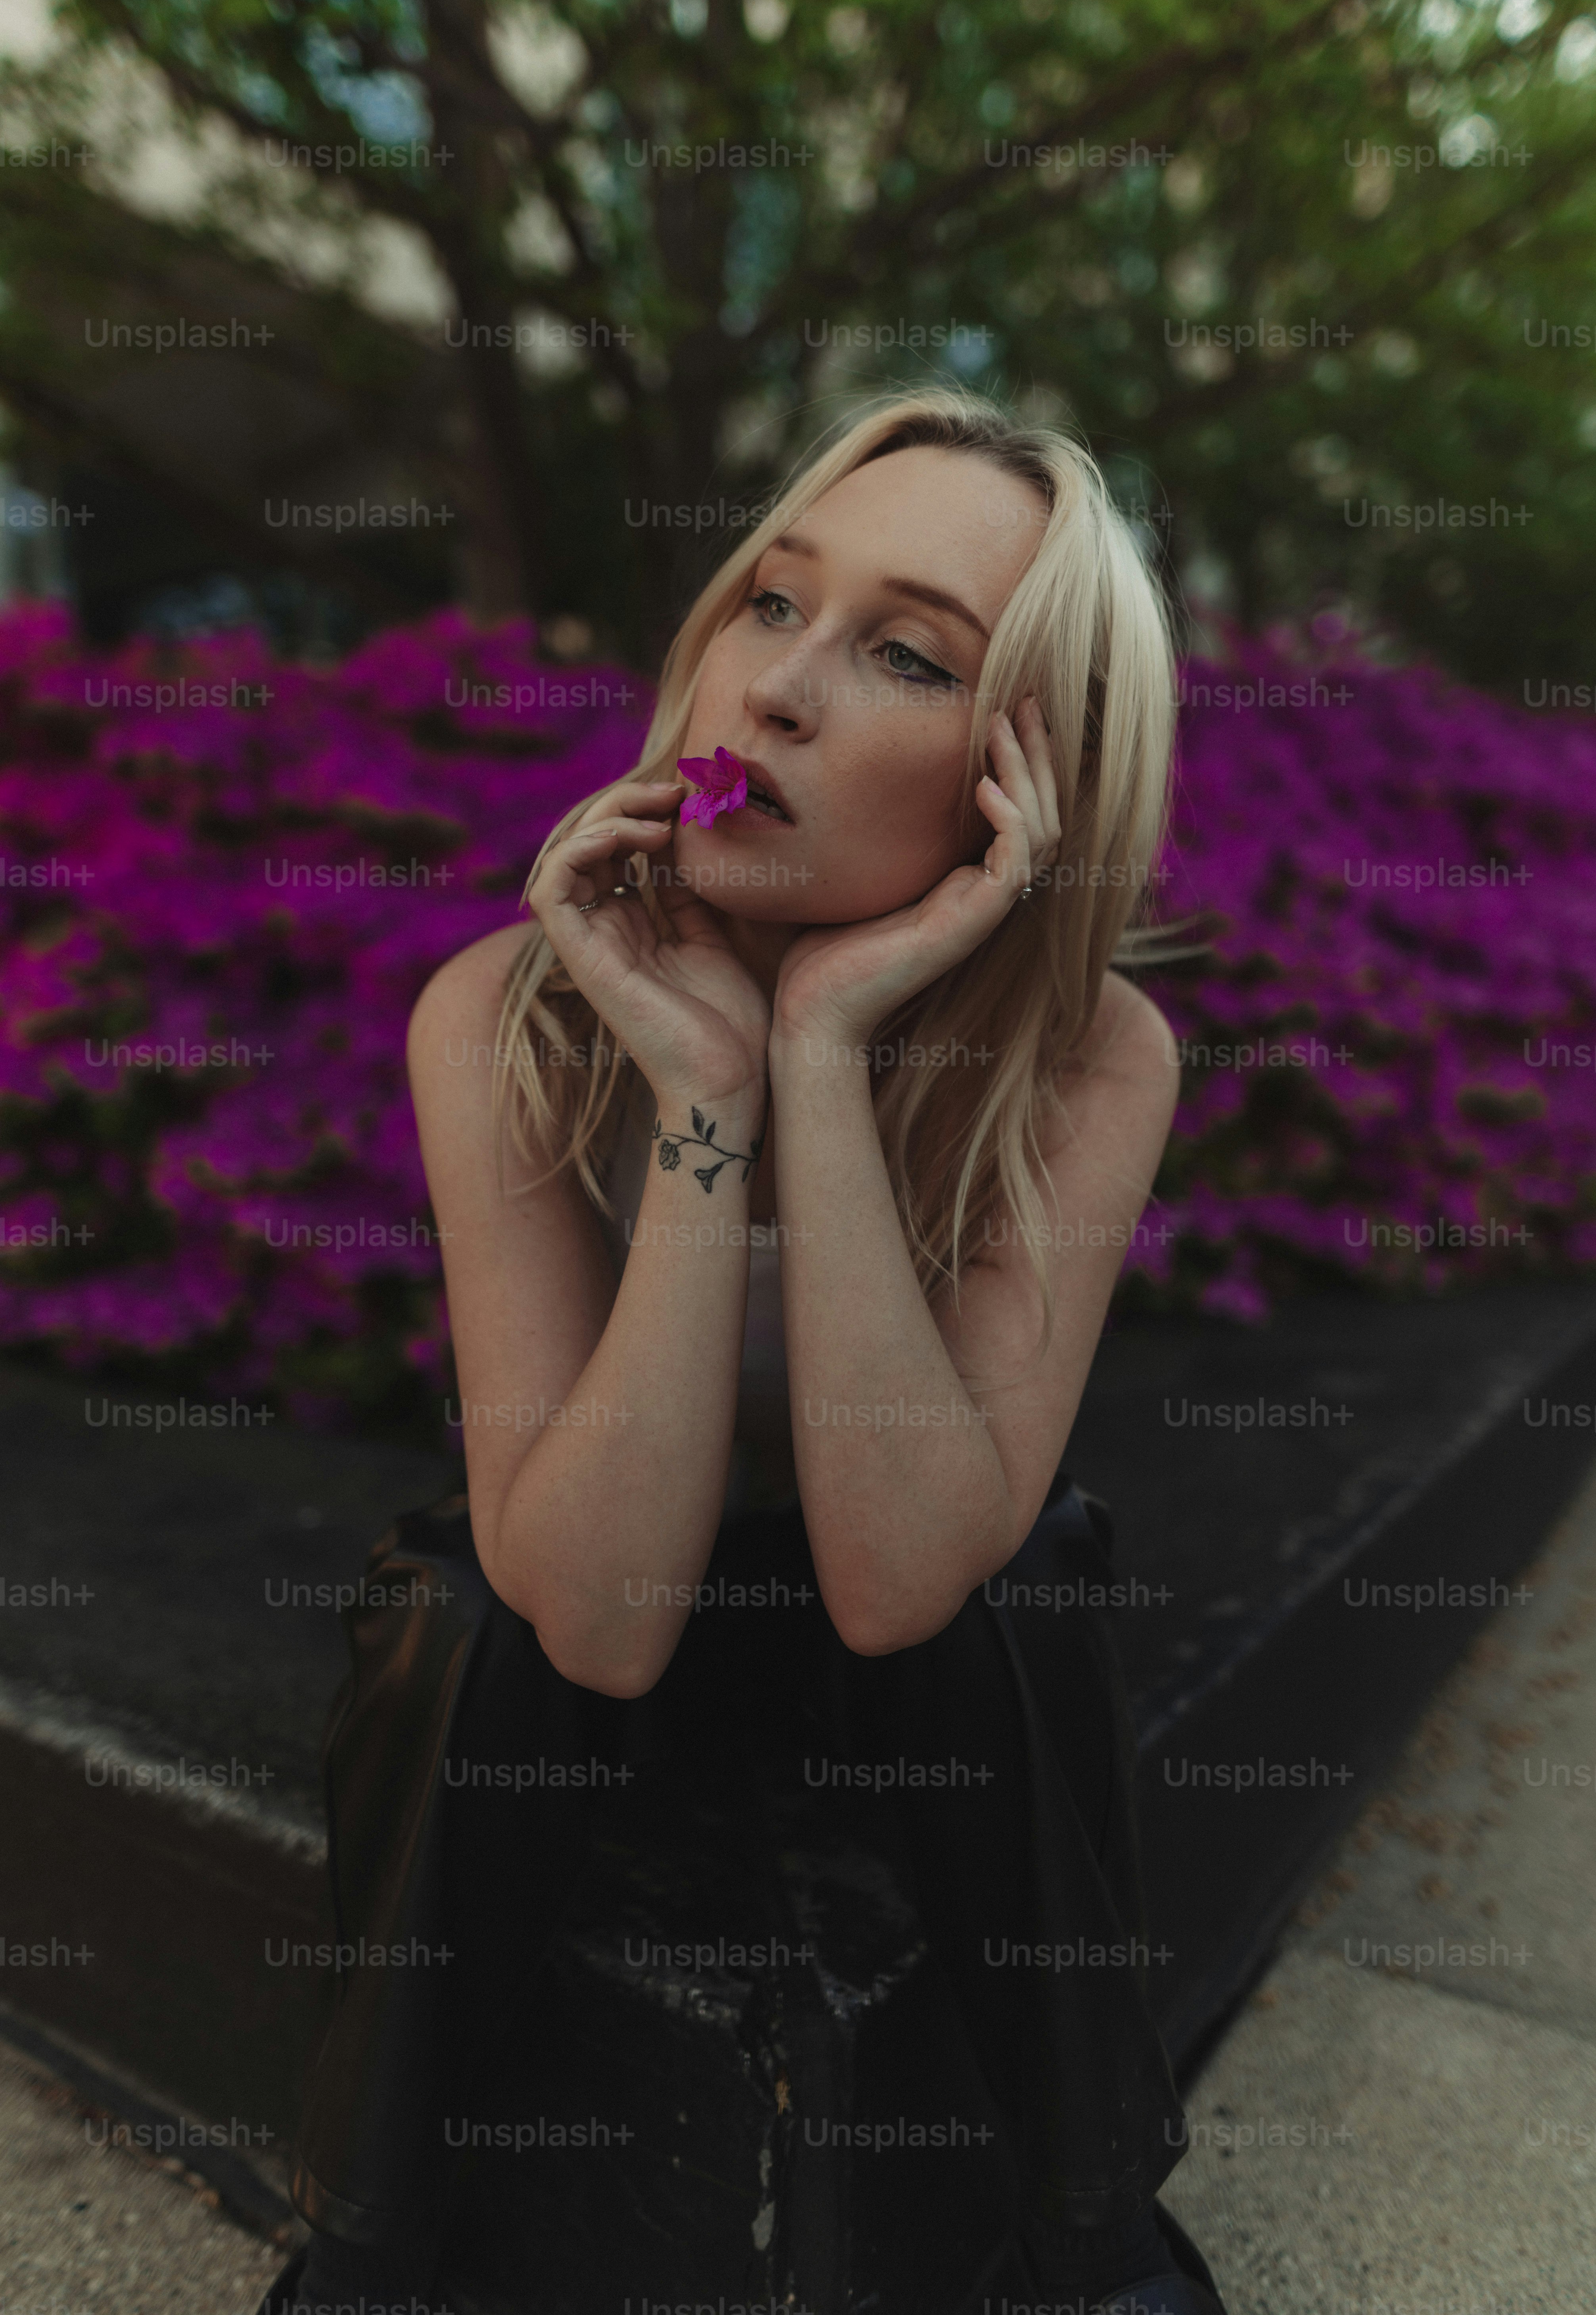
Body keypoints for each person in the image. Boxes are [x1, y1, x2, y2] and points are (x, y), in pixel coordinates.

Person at [262, 386, 1227, 2314]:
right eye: (767, 603)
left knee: (1024, 1582)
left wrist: (823, 1056)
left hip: (898, 1657)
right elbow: (590, 1614)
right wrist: (702, 1075)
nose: (771, 691)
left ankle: (1095, 2235)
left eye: (900, 655)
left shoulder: (1088, 1056)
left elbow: (903, 1583)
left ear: (1025, 779)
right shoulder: (504, 1018)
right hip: (605, 1645)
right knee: (463, 1612)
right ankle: (365, 2259)